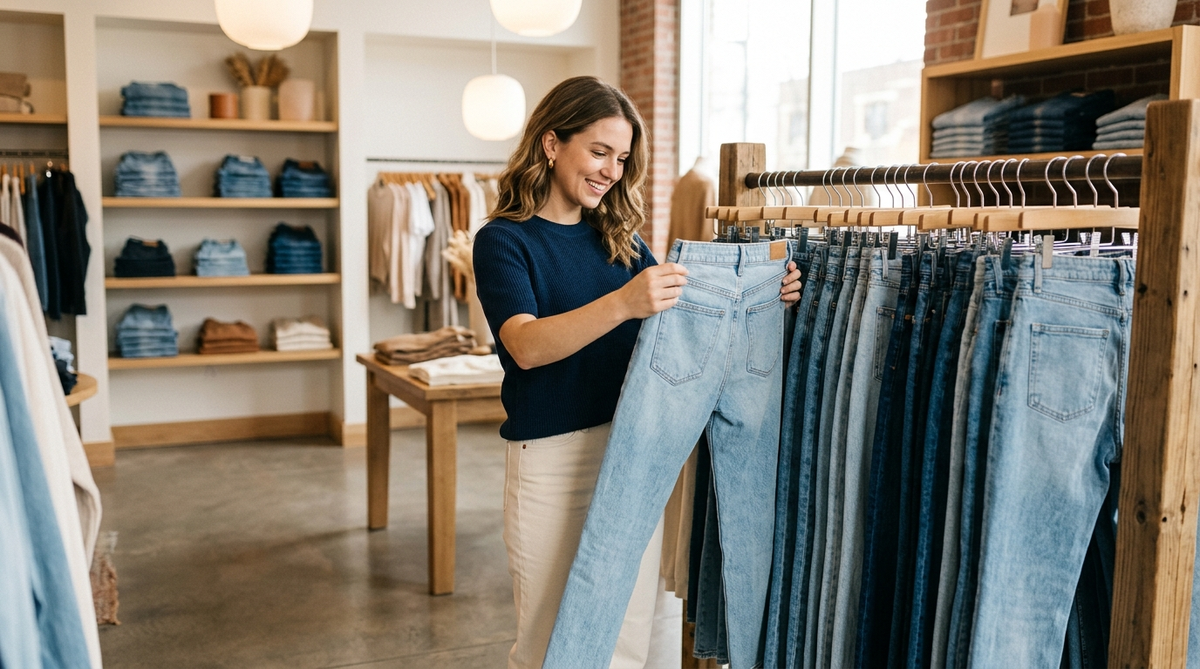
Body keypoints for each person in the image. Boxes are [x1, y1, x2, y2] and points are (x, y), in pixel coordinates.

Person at [473, 75, 802, 669]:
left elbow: (683, 310)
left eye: (621, 159)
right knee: (555, 641)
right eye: (598, 152)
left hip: (636, 452)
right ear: (551, 144)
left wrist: (765, 292)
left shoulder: (620, 239)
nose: (610, 171)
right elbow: (524, 345)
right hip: (551, 465)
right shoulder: (504, 240)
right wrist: (624, 303)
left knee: (635, 632)